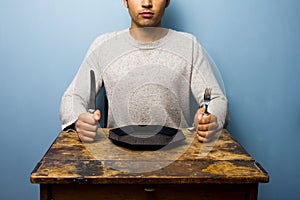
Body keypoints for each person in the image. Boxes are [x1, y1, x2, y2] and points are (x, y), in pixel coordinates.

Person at [60, 0, 228, 143]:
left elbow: (215, 98)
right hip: (116, 155)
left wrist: (210, 119)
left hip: (177, 154)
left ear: (168, 1)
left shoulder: (189, 45)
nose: (147, 3)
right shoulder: (104, 45)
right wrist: (78, 120)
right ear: (125, 0)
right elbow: (72, 97)